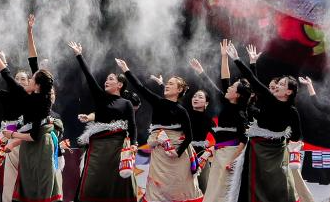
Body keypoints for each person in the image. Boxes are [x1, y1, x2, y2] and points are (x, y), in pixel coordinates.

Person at [0, 44, 62, 202]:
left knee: (37, 182)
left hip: (32, 143)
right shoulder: (20, 96)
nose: (20, 82)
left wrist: (13, 136)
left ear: (34, 83)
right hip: (18, 143)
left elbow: (32, 64)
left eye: (24, 79)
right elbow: (7, 77)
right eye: (18, 79)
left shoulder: (39, 101)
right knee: (14, 183)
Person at [116, 56, 200, 202]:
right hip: (160, 155)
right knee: (157, 191)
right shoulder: (158, 102)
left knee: (180, 189)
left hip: (178, 155)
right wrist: (126, 69)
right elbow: (141, 88)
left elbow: (189, 137)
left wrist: (177, 152)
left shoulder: (182, 111)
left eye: (171, 84)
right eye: (167, 83)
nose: (167, 85)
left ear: (179, 89)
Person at [225, 42, 301, 202]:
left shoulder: (290, 111)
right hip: (258, 149)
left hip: (275, 153)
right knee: (254, 185)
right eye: (277, 84)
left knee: (277, 186)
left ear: (289, 92)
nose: (277, 86)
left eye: (281, 85)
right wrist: (243, 61)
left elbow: (296, 136)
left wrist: (285, 143)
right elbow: (254, 82)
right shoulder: (271, 100)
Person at [66, 41, 137, 202]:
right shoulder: (101, 98)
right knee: (92, 183)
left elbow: (132, 126)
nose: (106, 81)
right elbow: (89, 76)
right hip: (98, 148)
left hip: (118, 148)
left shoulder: (126, 103)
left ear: (120, 85)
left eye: (111, 79)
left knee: (118, 186)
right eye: (106, 79)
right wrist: (79, 55)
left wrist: (133, 144)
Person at [188, 40, 250, 202]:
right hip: (219, 153)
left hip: (229, 154)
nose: (228, 88)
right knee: (213, 192)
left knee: (223, 193)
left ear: (237, 95)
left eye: (232, 87)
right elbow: (223, 81)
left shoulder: (240, 113)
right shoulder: (227, 103)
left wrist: (233, 160)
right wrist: (223, 58)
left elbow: (244, 139)